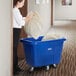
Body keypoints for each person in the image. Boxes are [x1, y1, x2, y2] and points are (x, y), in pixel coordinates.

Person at [13, 0, 32, 74]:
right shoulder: (15, 10)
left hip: (16, 31)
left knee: (15, 49)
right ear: (18, 2)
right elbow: (21, 23)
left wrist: (26, 18)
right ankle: (14, 69)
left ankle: (16, 66)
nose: (23, 4)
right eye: (23, 2)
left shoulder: (16, 10)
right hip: (15, 31)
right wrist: (27, 19)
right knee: (14, 49)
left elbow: (20, 19)